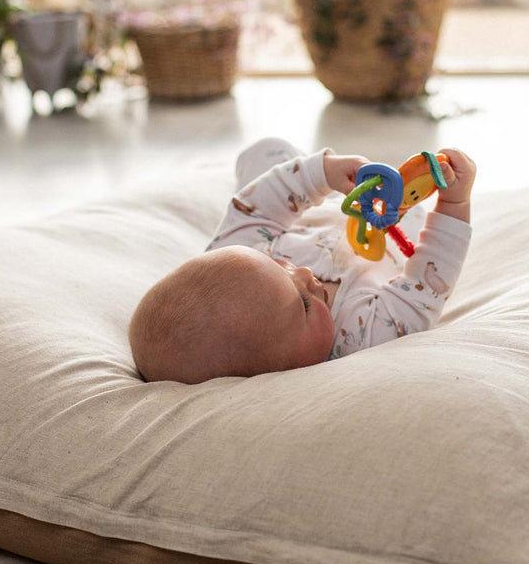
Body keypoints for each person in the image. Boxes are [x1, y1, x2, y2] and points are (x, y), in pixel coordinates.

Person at [128, 138, 476, 383]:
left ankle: (302, 172)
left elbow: (257, 212)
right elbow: (424, 289)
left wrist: (321, 174)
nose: (305, 274)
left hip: (313, 219)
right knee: (413, 222)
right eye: (304, 307)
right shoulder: (360, 337)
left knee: (265, 152)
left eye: (284, 268)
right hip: (383, 236)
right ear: (279, 372)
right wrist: (454, 206)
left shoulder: (234, 261)